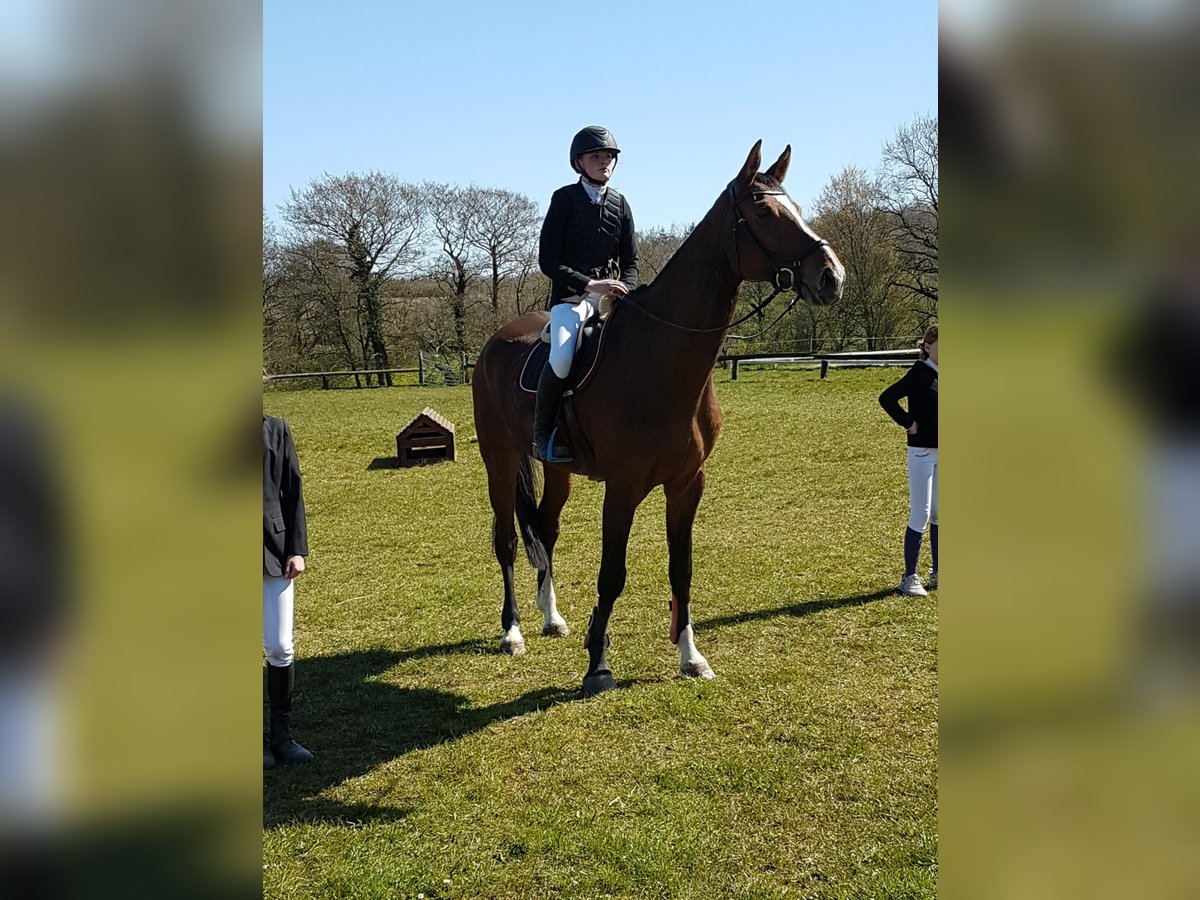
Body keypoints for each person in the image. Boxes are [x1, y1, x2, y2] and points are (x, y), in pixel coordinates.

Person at [532, 125, 639, 462]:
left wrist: (626, 290)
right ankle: (543, 435)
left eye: (609, 156)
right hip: (571, 301)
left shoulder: (621, 205)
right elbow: (547, 261)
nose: (604, 161)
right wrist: (590, 286)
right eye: (596, 156)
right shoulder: (564, 199)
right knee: (562, 357)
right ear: (579, 162)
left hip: (612, 302)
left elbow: (631, 261)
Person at [263, 414, 313, 767]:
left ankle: (282, 735)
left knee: (280, 645)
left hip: (275, 550)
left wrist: (296, 548)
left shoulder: (276, 429)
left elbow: (292, 489)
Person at [879, 325, 939, 597]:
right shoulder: (919, 373)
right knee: (921, 512)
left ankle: (938, 571)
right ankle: (909, 576)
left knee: (941, 513)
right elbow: (887, 397)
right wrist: (908, 422)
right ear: (928, 346)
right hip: (922, 453)